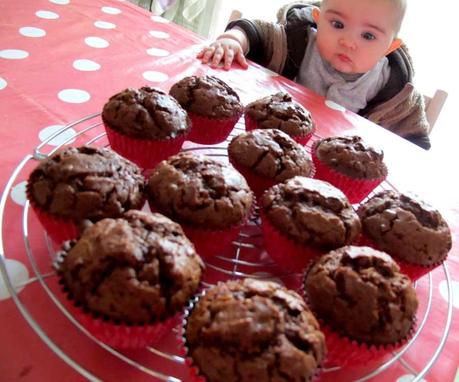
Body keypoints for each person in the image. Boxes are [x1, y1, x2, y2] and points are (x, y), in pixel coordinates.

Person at [197, 0, 431, 150]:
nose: (348, 42)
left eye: (368, 36)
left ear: (390, 47)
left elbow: (415, 148)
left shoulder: (395, 93)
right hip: (267, 142)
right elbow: (258, 31)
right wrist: (232, 40)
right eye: (337, 24)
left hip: (335, 169)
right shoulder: (294, 42)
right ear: (318, 19)